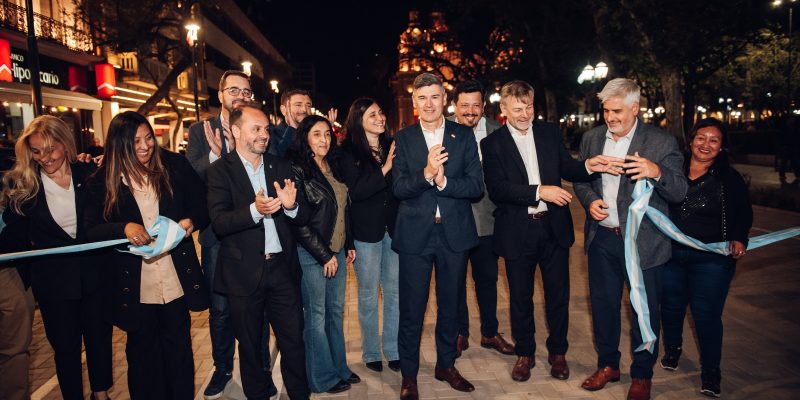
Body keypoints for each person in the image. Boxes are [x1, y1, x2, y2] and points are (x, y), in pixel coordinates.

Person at [481, 81, 623, 383]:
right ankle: (525, 353)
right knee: (520, 298)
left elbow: (567, 168)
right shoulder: (492, 144)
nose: (524, 113)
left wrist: (588, 166)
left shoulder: (548, 133)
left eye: (529, 107)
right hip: (517, 232)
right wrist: (539, 191)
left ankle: (558, 353)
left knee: (558, 296)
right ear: (503, 110)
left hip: (553, 229)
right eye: (517, 108)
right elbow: (498, 189)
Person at [573, 78, 688, 400]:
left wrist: (656, 172)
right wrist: (589, 200)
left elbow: (680, 191)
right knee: (604, 307)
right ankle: (608, 365)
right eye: (606, 110)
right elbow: (582, 181)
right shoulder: (592, 138)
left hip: (644, 244)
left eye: (618, 111)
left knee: (644, 310)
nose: (610, 117)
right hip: (603, 241)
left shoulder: (660, 142)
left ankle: (641, 374)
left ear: (636, 108)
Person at [84, 111, 209, 400]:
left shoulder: (173, 166)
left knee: (179, 354)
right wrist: (123, 227)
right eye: (135, 141)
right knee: (142, 359)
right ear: (119, 145)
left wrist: (189, 222)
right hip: (135, 287)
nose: (145, 146)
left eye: (148, 138)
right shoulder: (102, 181)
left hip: (175, 281)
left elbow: (202, 204)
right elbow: (90, 231)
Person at [0, 116, 111, 400]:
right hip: (54, 284)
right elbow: (13, 236)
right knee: (65, 348)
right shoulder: (24, 184)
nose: (45, 158)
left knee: (99, 340)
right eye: (36, 151)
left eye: (51, 149)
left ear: (65, 143)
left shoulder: (88, 172)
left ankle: (101, 394)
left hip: (94, 277)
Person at [206, 104, 310, 400]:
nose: (264, 134)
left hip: (281, 271)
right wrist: (255, 210)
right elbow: (219, 222)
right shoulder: (219, 171)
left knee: (293, 343)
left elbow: (302, 218)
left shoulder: (281, 166)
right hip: (242, 273)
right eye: (256, 129)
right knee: (250, 348)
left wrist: (291, 207)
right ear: (236, 132)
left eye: (266, 129)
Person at [393, 73, 484, 400]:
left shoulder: (463, 135)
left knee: (450, 306)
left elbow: (476, 187)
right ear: (415, 102)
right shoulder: (404, 138)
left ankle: (446, 365)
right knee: (412, 310)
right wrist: (427, 175)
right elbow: (399, 188)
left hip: (454, 236)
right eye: (422, 98)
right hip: (415, 237)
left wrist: (445, 183)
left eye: (435, 97)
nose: (429, 104)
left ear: (445, 100)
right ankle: (409, 375)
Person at [186, 69, 273, 399]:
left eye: (246, 91)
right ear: (220, 94)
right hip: (219, 237)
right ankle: (222, 368)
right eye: (233, 90)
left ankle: (262, 367)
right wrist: (215, 157)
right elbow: (194, 175)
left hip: (254, 232)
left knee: (259, 303)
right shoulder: (200, 131)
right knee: (221, 309)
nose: (240, 95)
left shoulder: (260, 127)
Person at [659, 117, 752, 398]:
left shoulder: (729, 178)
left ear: (722, 147)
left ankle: (711, 373)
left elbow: (744, 214)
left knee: (707, 316)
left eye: (714, 140)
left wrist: (739, 237)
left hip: (712, 259)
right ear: (690, 140)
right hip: (672, 254)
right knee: (671, 309)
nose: (706, 144)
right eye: (701, 138)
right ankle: (672, 351)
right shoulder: (673, 169)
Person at [287, 114, 360, 393]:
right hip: (312, 254)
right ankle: (321, 378)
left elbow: (342, 208)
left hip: (338, 251)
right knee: (315, 316)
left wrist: (348, 243)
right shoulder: (298, 169)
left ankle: (339, 368)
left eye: (328, 134)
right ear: (305, 137)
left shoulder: (333, 165)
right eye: (317, 134)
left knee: (335, 312)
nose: (324, 140)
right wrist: (324, 255)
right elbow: (299, 221)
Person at [447, 80, 513, 358]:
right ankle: (460, 333)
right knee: (455, 281)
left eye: (476, 105)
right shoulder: (442, 130)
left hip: (488, 221)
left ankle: (489, 332)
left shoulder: (499, 133)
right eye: (465, 106)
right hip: (454, 221)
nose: (470, 111)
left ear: (484, 106)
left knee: (487, 279)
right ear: (455, 106)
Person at [342, 97, 400, 373]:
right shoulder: (348, 152)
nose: (380, 118)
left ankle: (393, 348)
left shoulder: (393, 146)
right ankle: (371, 351)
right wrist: (385, 168)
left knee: (394, 292)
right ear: (359, 120)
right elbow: (356, 192)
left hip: (394, 228)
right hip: (366, 233)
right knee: (367, 294)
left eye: (380, 112)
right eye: (372, 115)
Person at [269, 89, 312, 157]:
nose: (304, 110)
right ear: (283, 110)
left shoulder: (311, 135)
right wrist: (292, 129)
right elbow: (275, 161)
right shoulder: (271, 136)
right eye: (298, 105)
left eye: (308, 106)